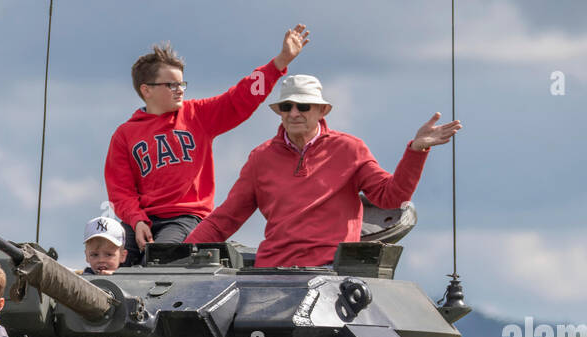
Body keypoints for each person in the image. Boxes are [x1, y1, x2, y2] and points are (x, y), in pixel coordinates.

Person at [185, 75, 460, 267]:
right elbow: (225, 218)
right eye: (286, 106)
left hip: (332, 273)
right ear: (279, 112)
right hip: (272, 273)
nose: (294, 113)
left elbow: (391, 198)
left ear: (322, 110)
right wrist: (175, 252)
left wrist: (416, 150)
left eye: (303, 106)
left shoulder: (350, 149)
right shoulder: (260, 158)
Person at [104, 25, 309, 266]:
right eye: (171, 85)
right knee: (113, 261)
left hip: (184, 218)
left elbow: (239, 98)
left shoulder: (197, 115)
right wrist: (137, 220)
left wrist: (279, 62)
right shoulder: (125, 134)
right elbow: (121, 190)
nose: (180, 90)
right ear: (146, 90)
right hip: (139, 220)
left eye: (181, 84)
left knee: (161, 261)